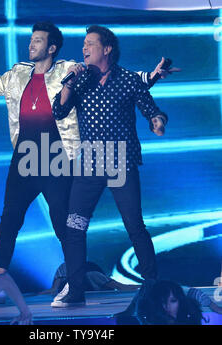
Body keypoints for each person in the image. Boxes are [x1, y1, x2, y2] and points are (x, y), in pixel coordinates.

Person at [0, 21, 177, 280]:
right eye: (31, 39)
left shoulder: (72, 70)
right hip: (35, 156)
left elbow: (126, 81)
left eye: (38, 40)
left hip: (72, 158)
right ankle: (12, 281)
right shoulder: (24, 74)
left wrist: (151, 84)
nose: (31, 44)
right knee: (19, 220)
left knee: (83, 223)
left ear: (52, 48)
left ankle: (104, 281)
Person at [51, 25, 169, 307]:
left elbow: (150, 108)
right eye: (83, 44)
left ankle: (152, 286)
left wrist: (157, 121)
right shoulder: (79, 80)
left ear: (107, 49)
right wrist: (68, 82)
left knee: (134, 226)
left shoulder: (128, 79)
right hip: (90, 161)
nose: (84, 48)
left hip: (120, 160)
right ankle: (75, 288)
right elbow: (59, 110)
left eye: (90, 43)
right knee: (74, 226)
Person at [117, 279, 222, 325]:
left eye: (173, 301)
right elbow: (146, 287)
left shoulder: (188, 320)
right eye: (162, 302)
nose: (167, 307)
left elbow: (192, 292)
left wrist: (214, 307)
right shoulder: (146, 319)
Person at [37, 261, 140, 297]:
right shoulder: (64, 268)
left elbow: (122, 287)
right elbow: (53, 290)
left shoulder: (93, 276)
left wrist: (144, 286)